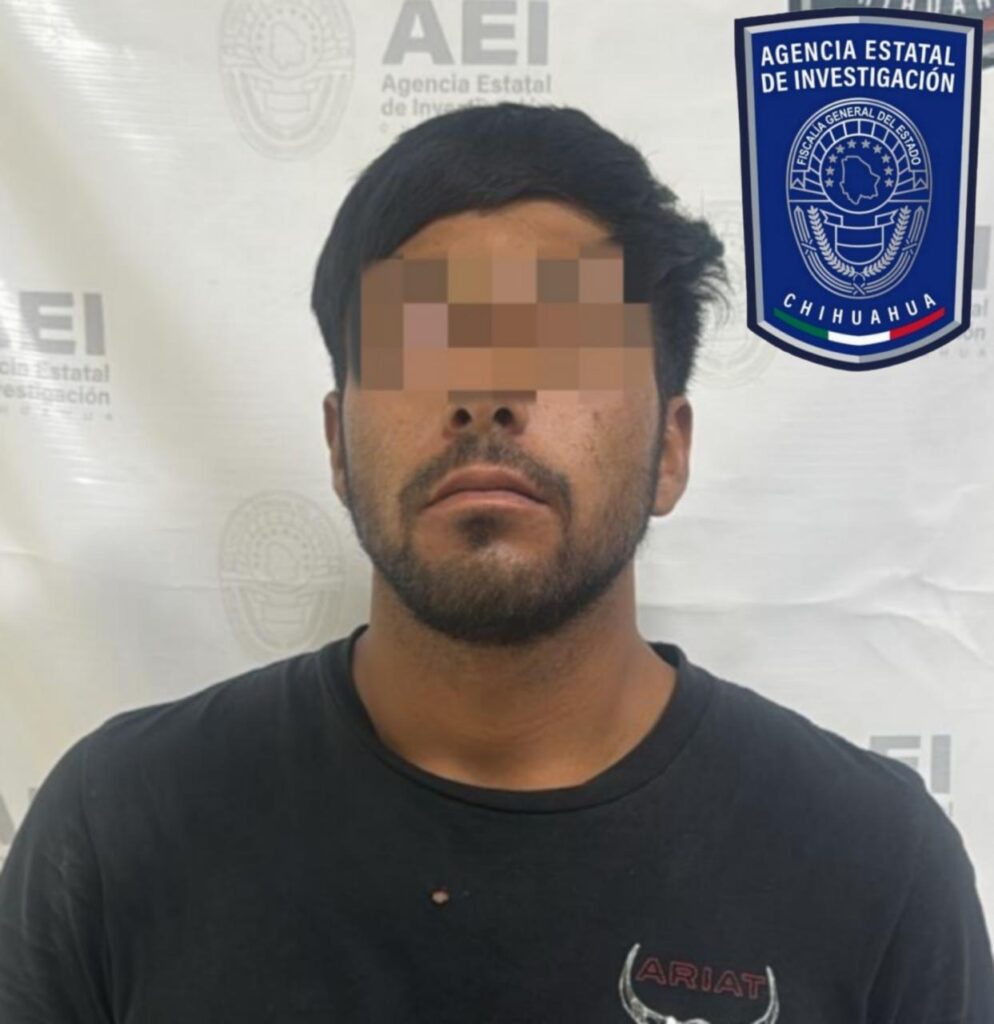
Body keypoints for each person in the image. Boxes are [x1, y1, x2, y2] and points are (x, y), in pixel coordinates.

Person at [1, 102, 991, 1024]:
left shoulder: (875, 868)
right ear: (339, 444)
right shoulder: (117, 831)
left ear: (670, 449)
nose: (484, 395)